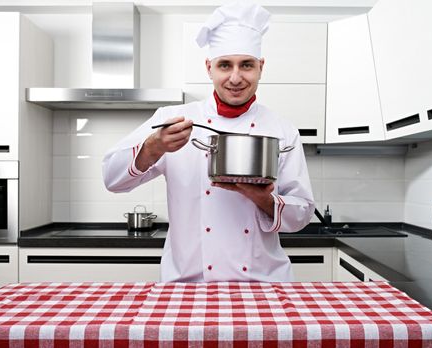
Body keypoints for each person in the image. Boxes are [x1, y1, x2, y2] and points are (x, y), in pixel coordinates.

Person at [102, 2, 314, 282]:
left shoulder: (282, 130)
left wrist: (259, 196)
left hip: (264, 284)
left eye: (246, 65)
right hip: (188, 284)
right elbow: (111, 179)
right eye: (225, 65)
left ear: (261, 67)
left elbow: (301, 213)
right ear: (209, 68)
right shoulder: (173, 120)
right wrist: (154, 147)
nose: (235, 78)